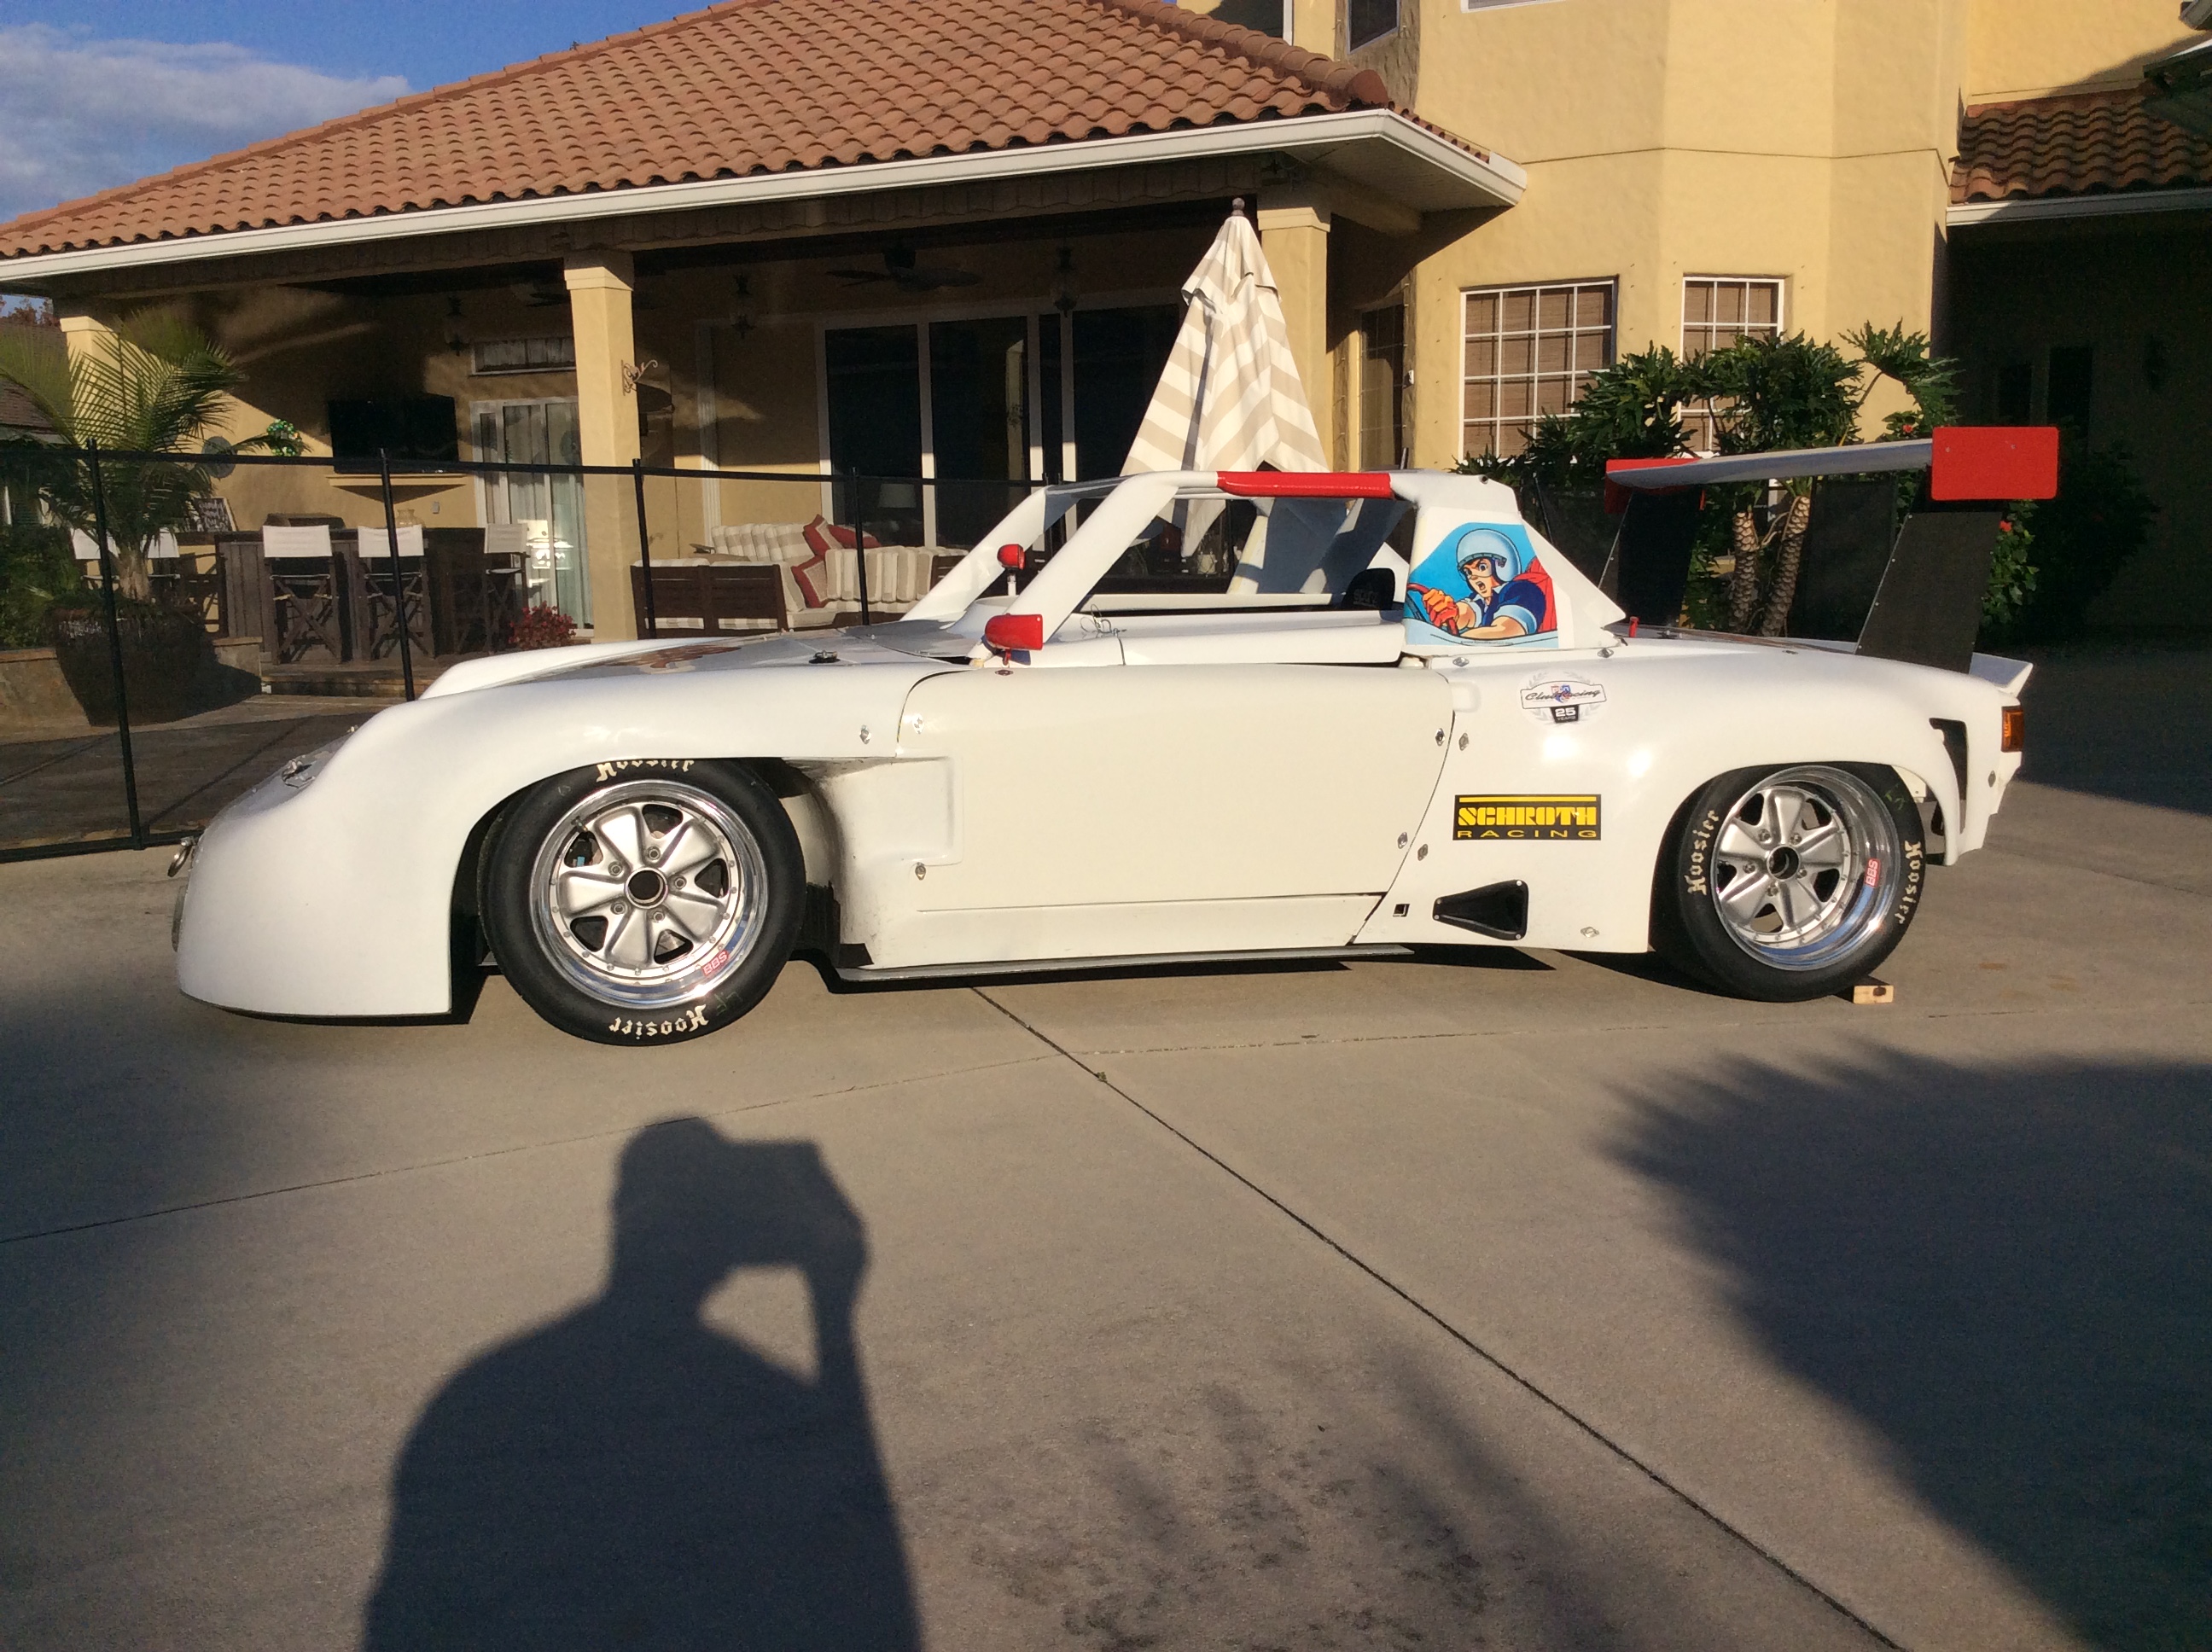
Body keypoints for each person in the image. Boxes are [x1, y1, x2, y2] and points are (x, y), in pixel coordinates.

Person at [1412, 526, 1553, 639]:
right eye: (1468, 572)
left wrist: (1460, 641)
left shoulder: (1523, 590)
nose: (1473, 577)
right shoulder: (1484, 600)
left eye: (1481, 567)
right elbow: (1467, 613)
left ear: (1502, 565)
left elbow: (1507, 630)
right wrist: (1449, 610)